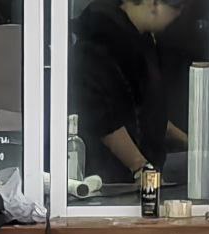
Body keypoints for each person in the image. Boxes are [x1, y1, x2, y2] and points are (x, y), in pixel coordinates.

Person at [70, 0, 189, 185]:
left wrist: (190, 142)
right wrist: (140, 167)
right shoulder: (101, 41)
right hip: (109, 180)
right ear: (153, 4)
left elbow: (148, 109)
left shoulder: (142, 40)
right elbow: (101, 117)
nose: (178, 16)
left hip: (144, 169)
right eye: (176, 9)